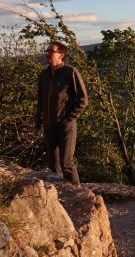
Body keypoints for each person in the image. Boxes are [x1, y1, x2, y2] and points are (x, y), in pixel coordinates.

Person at [35, 40, 88, 186]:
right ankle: (59, 196)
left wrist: (69, 118)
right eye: (47, 50)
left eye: (51, 51)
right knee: (53, 164)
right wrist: (38, 122)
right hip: (48, 125)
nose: (47, 53)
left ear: (61, 55)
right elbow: (40, 100)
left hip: (66, 126)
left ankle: (78, 195)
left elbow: (83, 99)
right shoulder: (43, 75)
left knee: (66, 163)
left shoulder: (71, 72)